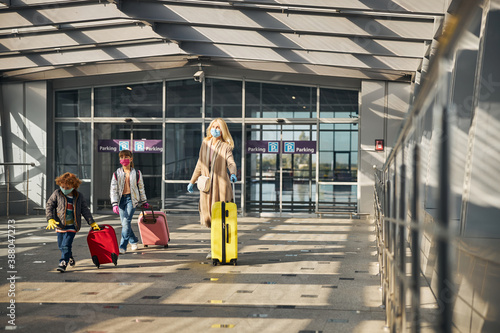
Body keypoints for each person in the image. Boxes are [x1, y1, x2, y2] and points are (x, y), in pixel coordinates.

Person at [187, 118, 237, 258]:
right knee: (209, 216)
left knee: (220, 218)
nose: (215, 129)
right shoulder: (205, 143)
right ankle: (217, 247)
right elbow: (199, 163)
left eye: (218, 127)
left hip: (220, 185)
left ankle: (217, 248)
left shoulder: (225, 146)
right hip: (207, 185)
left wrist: (233, 173)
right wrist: (192, 181)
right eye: (213, 126)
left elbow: (230, 161)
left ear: (223, 130)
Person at [46, 172, 100, 273]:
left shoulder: (79, 196)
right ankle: (69, 256)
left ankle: (63, 262)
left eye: (67, 187)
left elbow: (85, 210)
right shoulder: (57, 193)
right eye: (63, 187)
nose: (64, 189)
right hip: (60, 225)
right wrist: (50, 219)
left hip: (72, 226)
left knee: (66, 245)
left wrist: (91, 222)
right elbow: (49, 205)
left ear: (73, 186)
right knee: (61, 246)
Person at [110, 149, 149, 254]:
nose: (124, 159)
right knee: (124, 223)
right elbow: (113, 189)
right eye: (121, 157)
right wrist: (114, 203)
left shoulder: (137, 173)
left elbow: (141, 188)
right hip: (121, 200)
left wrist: (144, 201)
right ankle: (133, 240)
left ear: (131, 159)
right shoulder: (116, 174)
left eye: (126, 157)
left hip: (132, 200)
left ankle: (122, 246)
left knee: (126, 222)